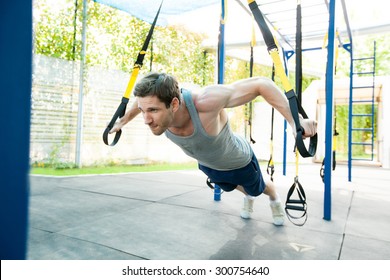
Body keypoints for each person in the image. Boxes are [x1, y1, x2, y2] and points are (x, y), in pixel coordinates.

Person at [109, 72, 317, 226]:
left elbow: (261, 84)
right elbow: (140, 103)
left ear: (173, 104)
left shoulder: (205, 102)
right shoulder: (154, 110)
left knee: (257, 189)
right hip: (209, 167)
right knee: (230, 188)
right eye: (144, 110)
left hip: (239, 160)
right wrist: (122, 122)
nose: (146, 119)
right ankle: (248, 196)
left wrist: (295, 121)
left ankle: (273, 198)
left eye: (152, 110)